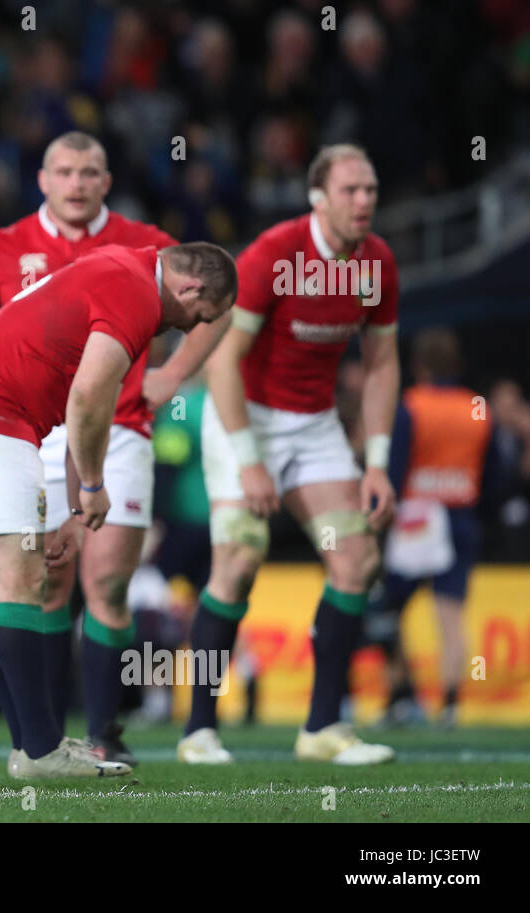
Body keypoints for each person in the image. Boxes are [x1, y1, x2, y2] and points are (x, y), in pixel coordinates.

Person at [0, 131, 223, 768]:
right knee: (25, 580)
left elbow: (77, 401)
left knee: (53, 579)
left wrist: (73, 485)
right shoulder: (130, 276)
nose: (79, 183)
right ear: (44, 179)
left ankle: (60, 739)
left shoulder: (138, 251)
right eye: (66, 171)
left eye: (91, 171)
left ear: (106, 181)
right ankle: (39, 744)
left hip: (25, 423)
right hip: (1, 422)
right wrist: (86, 486)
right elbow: (86, 396)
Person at [179, 144, 400, 765]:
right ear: (318, 198)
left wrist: (376, 460)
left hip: (315, 427)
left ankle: (322, 728)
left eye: (371, 190)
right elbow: (222, 359)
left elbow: (381, 364)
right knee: (241, 558)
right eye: (351, 190)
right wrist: (249, 459)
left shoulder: (376, 263)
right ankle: (199, 730)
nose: (364, 201)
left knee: (355, 560)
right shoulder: (277, 252)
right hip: (242, 418)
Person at [376, 328, 496, 727]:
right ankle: (450, 704)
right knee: (450, 616)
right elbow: (494, 471)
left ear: (418, 365)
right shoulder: (477, 406)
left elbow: (394, 467)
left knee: (389, 611)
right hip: (461, 515)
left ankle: (401, 696)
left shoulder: (412, 404)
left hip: (415, 517)